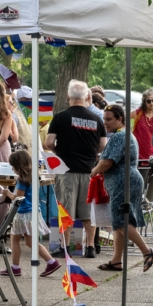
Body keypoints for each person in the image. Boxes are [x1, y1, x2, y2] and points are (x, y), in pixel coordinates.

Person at [46, 80, 107, 258]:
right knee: (89, 213)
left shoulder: (60, 117)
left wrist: (58, 151)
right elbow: (103, 145)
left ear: (68, 97)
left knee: (66, 211)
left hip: (67, 171)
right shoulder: (97, 119)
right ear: (87, 97)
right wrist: (91, 153)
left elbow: (49, 142)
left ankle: (66, 247)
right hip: (89, 170)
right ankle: (89, 247)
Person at [93, 105, 153, 272]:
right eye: (104, 119)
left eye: (109, 119)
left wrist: (93, 171)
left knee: (121, 222)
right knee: (118, 222)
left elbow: (108, 162)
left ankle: (147, 251)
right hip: (128, 180)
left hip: (124, 181)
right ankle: (116, 261)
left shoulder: (119, 137)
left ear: (120, 119)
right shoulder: (125, 135)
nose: (105, 122)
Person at [0, 150, 60, 277]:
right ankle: (51, 261)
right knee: (30, 241)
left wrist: (7, 193)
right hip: (33, 212)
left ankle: (15, 267)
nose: (12, 169)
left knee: (14, 239)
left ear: (18, 166)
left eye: (13, 166)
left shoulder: (22, 180)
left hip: (23, 213)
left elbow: (18, 198)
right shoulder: (33, 177)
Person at [132, 90, 153, 165]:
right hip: (138, 149)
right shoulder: (138, 113)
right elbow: (123, 117)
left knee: (152, 172)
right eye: (149, 101)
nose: (152, 103)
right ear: (144, 102)